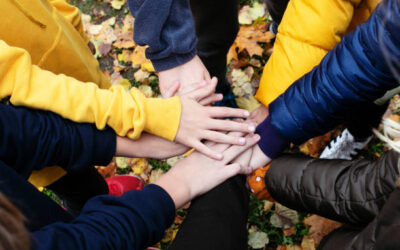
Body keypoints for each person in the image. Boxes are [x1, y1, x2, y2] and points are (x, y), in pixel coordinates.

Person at [0, 100, 259, 250]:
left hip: (42, 224)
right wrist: (178, 184)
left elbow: (22, 132)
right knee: (223, 187)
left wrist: (141, 140)